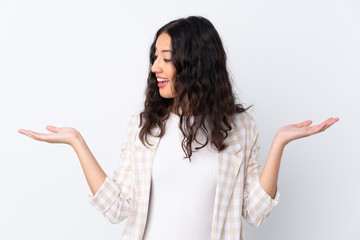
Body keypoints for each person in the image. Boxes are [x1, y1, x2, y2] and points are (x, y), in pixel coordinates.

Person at [18, 16, 339, 240]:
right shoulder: (144, 127)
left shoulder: (240, 128)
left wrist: (280, 142)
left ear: (196, 63)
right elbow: (117, 209)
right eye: (154, 56)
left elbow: (254, 213)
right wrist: (76, 141)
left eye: (166, 58)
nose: (155, 66)